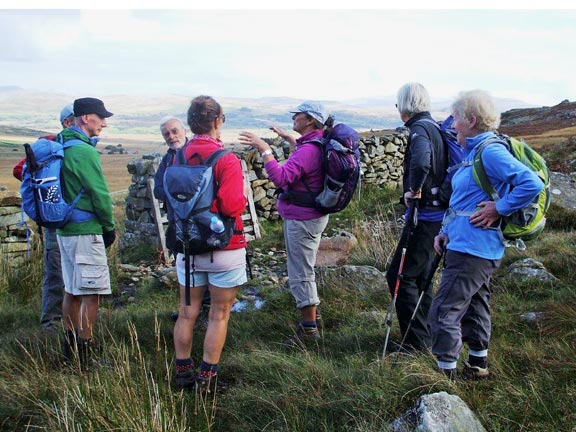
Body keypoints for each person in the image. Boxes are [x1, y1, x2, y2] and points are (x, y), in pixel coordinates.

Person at [429, 90, 544, 379]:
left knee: (444, 310)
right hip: (470, 244)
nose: (452, 124)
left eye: (455, 118)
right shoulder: (475, 153)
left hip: (474, 248)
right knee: (476, 303)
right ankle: (478, 366)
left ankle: (445, 377)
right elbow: (463, 202)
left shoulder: (490, 151)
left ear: (471, 119)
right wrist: (444, 232)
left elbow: (531, 184)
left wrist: (499, 208)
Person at [238, 102, 329, 348]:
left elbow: (280, 177)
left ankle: (309, 331)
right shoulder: (316, 143)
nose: (293, 118)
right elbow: (303, 165)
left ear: (309, 120)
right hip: (311, 215)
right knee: (304, 267)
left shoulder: (309, 149)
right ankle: (314, 317)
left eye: (297, 115)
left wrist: (265, 149)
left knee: (301, 271)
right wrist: (291, 140)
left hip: (303, 218)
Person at [172, 95, 247, 392]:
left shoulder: (176, 157)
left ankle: (182, 373)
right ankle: (207, 380)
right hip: (223, 249)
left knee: (186, 311)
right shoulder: (226, 160)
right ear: (217, 121)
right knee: (218, 314)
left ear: (191, 123)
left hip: (187, 246)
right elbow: (231, 206)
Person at [385, 83, 447, 353]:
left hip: (424, 217)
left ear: (403, 106)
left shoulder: (419, 129)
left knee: (400, 277)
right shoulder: (433, 126)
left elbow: (421, 161)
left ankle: (414, 344)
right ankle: (425, 337)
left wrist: (414, 190)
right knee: (420, 277)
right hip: (436, 217)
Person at [56, 97, 116, 368]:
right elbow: (100, 194)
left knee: (72, 290)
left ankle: (68, 349)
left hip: (65, 230)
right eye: (99, 117)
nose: (103, 123)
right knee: (91, 293)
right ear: (84, 118)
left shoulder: (62, 143)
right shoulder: (83, 151)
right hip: (86, 231)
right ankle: (85, 355)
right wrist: (109, 227)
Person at [12, 103, 75, 333]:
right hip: (54, 221)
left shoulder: (67, 144)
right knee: (56, 270)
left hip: (66, 218)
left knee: (63, 270)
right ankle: (51, 324)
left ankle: (66, 320)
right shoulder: (49, 145)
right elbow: (20, 170)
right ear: (68, 122)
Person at [152, 116, 211, 323]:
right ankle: (189, 311)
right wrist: (182, 194)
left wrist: (176, 192)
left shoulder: (197, 153)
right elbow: (158, 188)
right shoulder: (167, 159)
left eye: (175, 131)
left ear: (184, 130)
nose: (171, 136)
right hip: (178, 224)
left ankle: (207, 311)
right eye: (166, 134)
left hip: (201, 223)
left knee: (204, 263)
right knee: (185, 267)